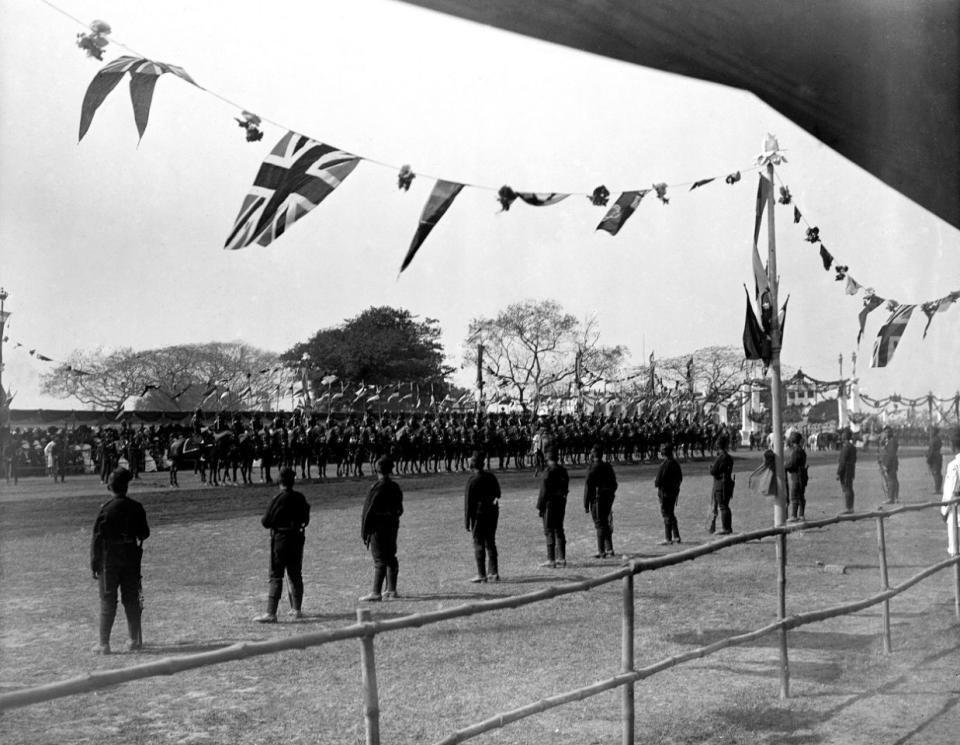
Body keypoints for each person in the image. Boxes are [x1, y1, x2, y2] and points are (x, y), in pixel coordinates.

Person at [90, 467, 150, 654]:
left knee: (108, 600)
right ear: (126, 486)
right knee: (132, 599)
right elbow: (144, 533)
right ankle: (134, 640)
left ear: (110, 487)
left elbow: (97, 538)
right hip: (131, 556)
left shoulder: (106, 509)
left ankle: (104, 644)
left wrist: (94, 563)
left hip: (110, 558)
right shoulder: (137, 507)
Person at [253, 466, 311, 623]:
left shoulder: (277, 499)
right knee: (295, 574)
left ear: (280, 482)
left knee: (276, 575)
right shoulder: (300, 497)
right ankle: (297, 609)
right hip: (297, 539)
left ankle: (271, 613)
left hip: (281, 540)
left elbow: (265, 522)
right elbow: (306, 519)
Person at [360, 456, 404, 601]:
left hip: (378, 528)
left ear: (377, 469)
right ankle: (392, 589)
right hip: (392, 526)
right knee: (391, 556)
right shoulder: (395, 487)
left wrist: (365, 532)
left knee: (379, 559)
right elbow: (400, 509)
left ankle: (376, 592)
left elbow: (367, 511)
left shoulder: (376, 487)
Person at [464, 451, 500, 582]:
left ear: (472, 465)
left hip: (478, 515)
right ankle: (494, 572)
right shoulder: (491, 477)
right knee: (490, 542)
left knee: (478, 543)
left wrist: (467, 522)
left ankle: (481, 574)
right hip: (492, 512)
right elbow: (498, 494)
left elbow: (468, 503)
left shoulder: (472, 481)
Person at [537, 447, 569, 568]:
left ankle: (551, 559)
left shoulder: (548, 472)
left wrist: (540, 507)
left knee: (549, 530)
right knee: (559, 529)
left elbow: (543, 491)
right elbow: (566, 487)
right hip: (561, 502)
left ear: (547, 458)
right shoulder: (563, 471)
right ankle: (562, 558)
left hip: (549, 504)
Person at [583, 444, 618, 558]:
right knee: (605, 523)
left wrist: (586, 504)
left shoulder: (591, 468)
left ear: (593, 455)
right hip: (607, 499)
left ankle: (601, 551)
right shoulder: (608, 467)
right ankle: (609, 549)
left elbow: (588, 487)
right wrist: (610, 495)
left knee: (599, 524)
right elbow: (614, 484)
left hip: (596, 500)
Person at [654, 442, 683, 545]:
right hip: (674, 492)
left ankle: (668, 538)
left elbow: (657, 482)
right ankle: (676, 536)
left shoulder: (664, 465)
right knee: (671, 513)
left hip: (665, 493)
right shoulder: (676, 463)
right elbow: (680, 478)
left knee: (666, 514)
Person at [708, 434, 735, 535]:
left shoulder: (721, 457)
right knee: (725, 506)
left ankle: (726, 528)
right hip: (727, 483)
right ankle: (727, 527)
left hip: (720, 484)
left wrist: (710, 468)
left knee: (723, 507)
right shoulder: (729, 457)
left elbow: (714, 471)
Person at [940, 427, 960, 555]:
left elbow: (951, 493)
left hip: (956, 513)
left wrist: (944, 511)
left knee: (955, 551)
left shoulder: (954, 465)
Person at [784, 431, 808, 522]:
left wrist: (784, 466)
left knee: (794, 495)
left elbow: (792, 464)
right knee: (801, 495)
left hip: (796, 475)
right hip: (802, 475)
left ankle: (794, 515)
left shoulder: (796, 451)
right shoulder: (801, 451)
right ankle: (801, 514)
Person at [836, 428, 857, 513]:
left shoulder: (846, 448)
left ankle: (848, 508)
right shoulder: (853, 447)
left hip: (845, 471)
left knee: (847, 489)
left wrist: (838, 473)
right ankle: (851, 507)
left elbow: (842, 462)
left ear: (844, 437)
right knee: (850, 488)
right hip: (851, 470)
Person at [878, 426, 900, 504]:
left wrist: (886, 465)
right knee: (892, 480)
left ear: (891, 433)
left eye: (887, 432)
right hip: (888, 463)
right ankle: (894, 497)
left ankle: (891, 498)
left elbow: (890, 454)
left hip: (890, 464)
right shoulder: (887, 441)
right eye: (885, 432)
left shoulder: (892, 441)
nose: (886, 434)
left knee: (891, 481)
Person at [926, 426, 944, 494]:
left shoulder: (933, 440)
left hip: (934, 458)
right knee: (938, 473)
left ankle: (937, 489)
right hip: (938, 457)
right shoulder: (938, 439)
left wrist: (928, 459)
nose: (930, 432)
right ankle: (938, 488)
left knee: (936, 473)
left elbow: (931, 450)